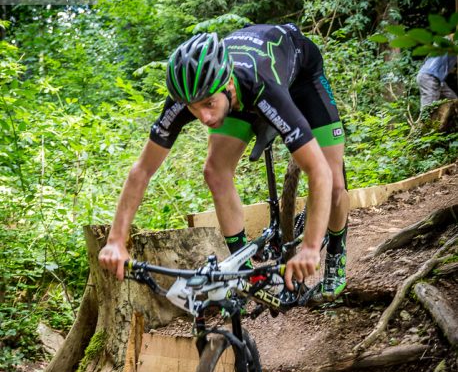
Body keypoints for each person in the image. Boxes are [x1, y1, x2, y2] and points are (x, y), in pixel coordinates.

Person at [99, 23, 349, 299]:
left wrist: (310, 248)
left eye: (208, 104)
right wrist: (115, 240)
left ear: (227, 84)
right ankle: (241, 273)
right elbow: (142, 170)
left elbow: (319, 171)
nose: (204, 117)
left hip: (300, 76)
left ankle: (336, 253)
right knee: (215, 171)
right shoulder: (189, 94)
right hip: (235, 95)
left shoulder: (261, 84)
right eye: (194, 108)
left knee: (334, 183)